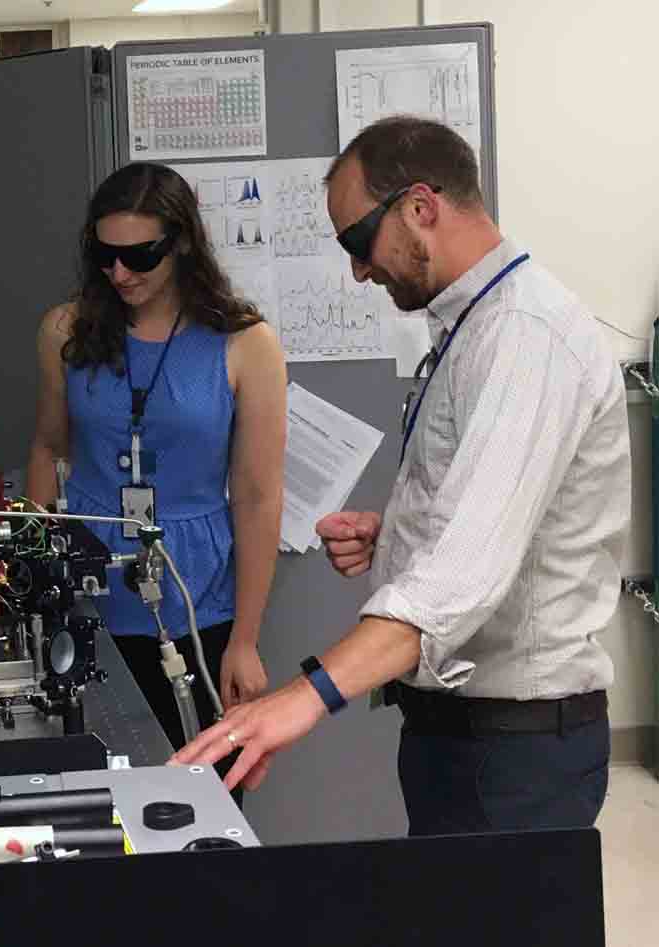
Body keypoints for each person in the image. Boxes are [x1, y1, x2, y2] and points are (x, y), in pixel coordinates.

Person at [172, 116, 629, 836]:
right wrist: (396, 533)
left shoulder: (523, 338)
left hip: (515, 749)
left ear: (420, 207)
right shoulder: (473, 325)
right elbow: (503, 508)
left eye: (358, 242)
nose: (358, 270)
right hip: (457, 731)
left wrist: (302, 696)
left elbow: (462, 576)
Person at [26, 162, 287, 760]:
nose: (119, 272)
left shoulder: (246, 344)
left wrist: (244, 641)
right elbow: (47, 448)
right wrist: (36, 588)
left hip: (200, 601)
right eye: (104, 255)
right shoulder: (65, 331)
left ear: (183, 244)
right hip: (90, 590)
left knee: (202, 790)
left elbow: (257, 494)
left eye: (140, 256)